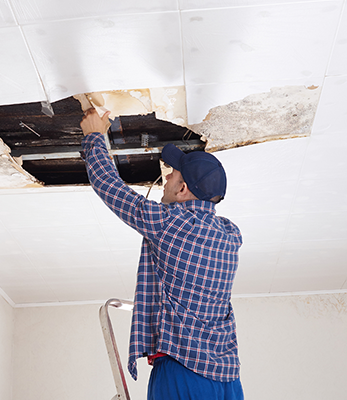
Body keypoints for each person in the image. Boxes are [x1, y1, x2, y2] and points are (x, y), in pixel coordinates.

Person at [80, 109, 244, 400]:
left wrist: (94, 135)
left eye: (172, 174)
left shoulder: (170, 223)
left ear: (182, 189)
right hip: (227, 380)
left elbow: (109, 187)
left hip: (183, 371)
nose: (165, 179)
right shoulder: (230, 235)